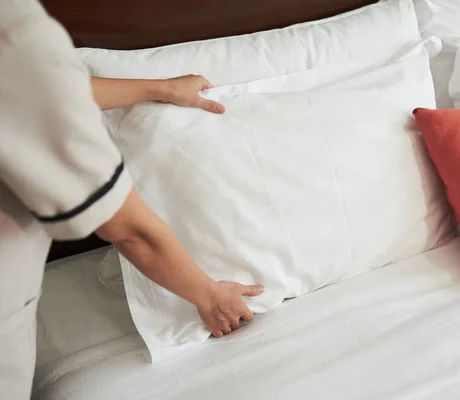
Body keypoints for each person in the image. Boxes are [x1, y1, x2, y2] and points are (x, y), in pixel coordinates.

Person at [0, 1, 263, 398]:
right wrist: (211, 297)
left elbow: (34, 90)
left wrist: (157, 89)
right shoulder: (15, 33)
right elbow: (130, 229)